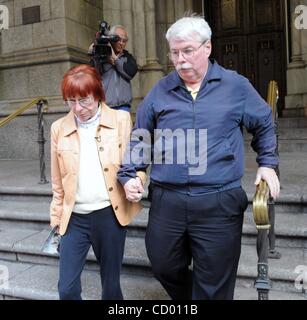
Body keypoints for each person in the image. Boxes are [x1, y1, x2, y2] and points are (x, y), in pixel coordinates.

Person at [117, 15, 280, 300]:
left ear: (207, 48)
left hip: (218, 200)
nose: (180, 60)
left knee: (216, 279)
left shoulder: (235, 86)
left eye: (187, 51)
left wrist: (267, 163)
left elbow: (264, 122)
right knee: (163, 264)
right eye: (174, 52)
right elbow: (141, 135)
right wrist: (131, 172)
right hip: (168, 200)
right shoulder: (160, 90)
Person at [49, 64, 146, 300]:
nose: (78, 108)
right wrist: (56, 219)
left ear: (99, 94)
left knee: (111, 287)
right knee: (67, 289)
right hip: (74, 219)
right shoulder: (58, 128)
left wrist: (137, 181)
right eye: (71, 101)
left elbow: (135, 164)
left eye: (84, 100)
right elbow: (57, 182)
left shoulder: (121, 119)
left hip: (109, 215)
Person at [89, 25, 138, 112]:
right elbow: (92, 75)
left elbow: (130, 73)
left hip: (123, 107)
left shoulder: (128, 57)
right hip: (105, 107)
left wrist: (115, 59)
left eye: (124, 41)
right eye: (118, 39)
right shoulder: (100, 57)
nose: (121, 43)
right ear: (110, 39)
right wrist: (93, 55)